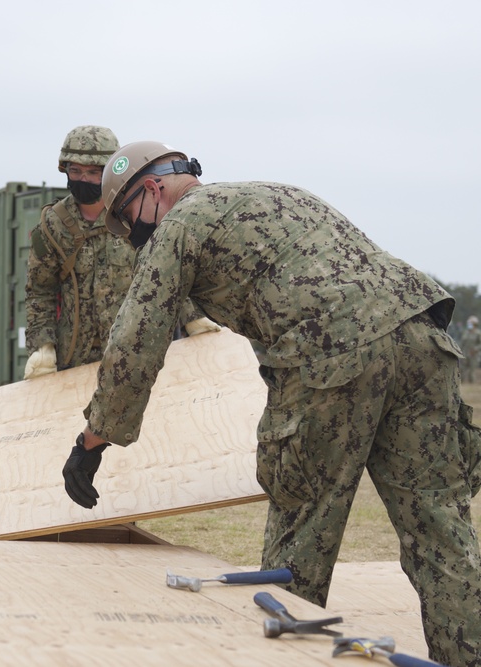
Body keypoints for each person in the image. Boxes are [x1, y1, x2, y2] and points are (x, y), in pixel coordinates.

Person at [61, 140, 481, 666]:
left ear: (151, 189)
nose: (137, 236)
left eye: (130, 221)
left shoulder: (180, 225)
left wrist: (93, 440)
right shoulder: (277, 193)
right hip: (425, 338)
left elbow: (134, 343)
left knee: (300, 538)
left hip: (330, 359)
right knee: (441, 532)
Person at [24, 126, 217, 380]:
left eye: (94, 172)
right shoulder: (53, 225)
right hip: (75, 360)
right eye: (75, 171)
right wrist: (43, 347)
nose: (84, 179)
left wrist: (193, 319)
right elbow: (40, 291)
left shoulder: (135, 213)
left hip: (139, 351)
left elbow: (170, 270)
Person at [460, 316, 481, 383]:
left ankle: (472, 386)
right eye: (468, 323)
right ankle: (461, 383)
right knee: (462, 370)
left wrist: (475, 349)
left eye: (470, 323)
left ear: (475, 324)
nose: (469, 324)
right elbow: (462, 343)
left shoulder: (478, 333)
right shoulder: (466, 332)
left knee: (472, 372)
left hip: (474, 355)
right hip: (465, 354)